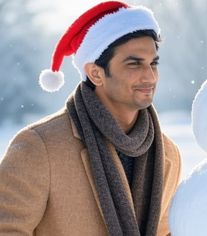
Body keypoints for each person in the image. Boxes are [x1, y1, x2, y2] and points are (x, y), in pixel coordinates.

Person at [0, 1, 181, 235]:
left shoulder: (167, 154)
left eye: (153, 63)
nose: (149, 76)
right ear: (96, 73)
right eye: (134, 64)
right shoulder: (39, 146)